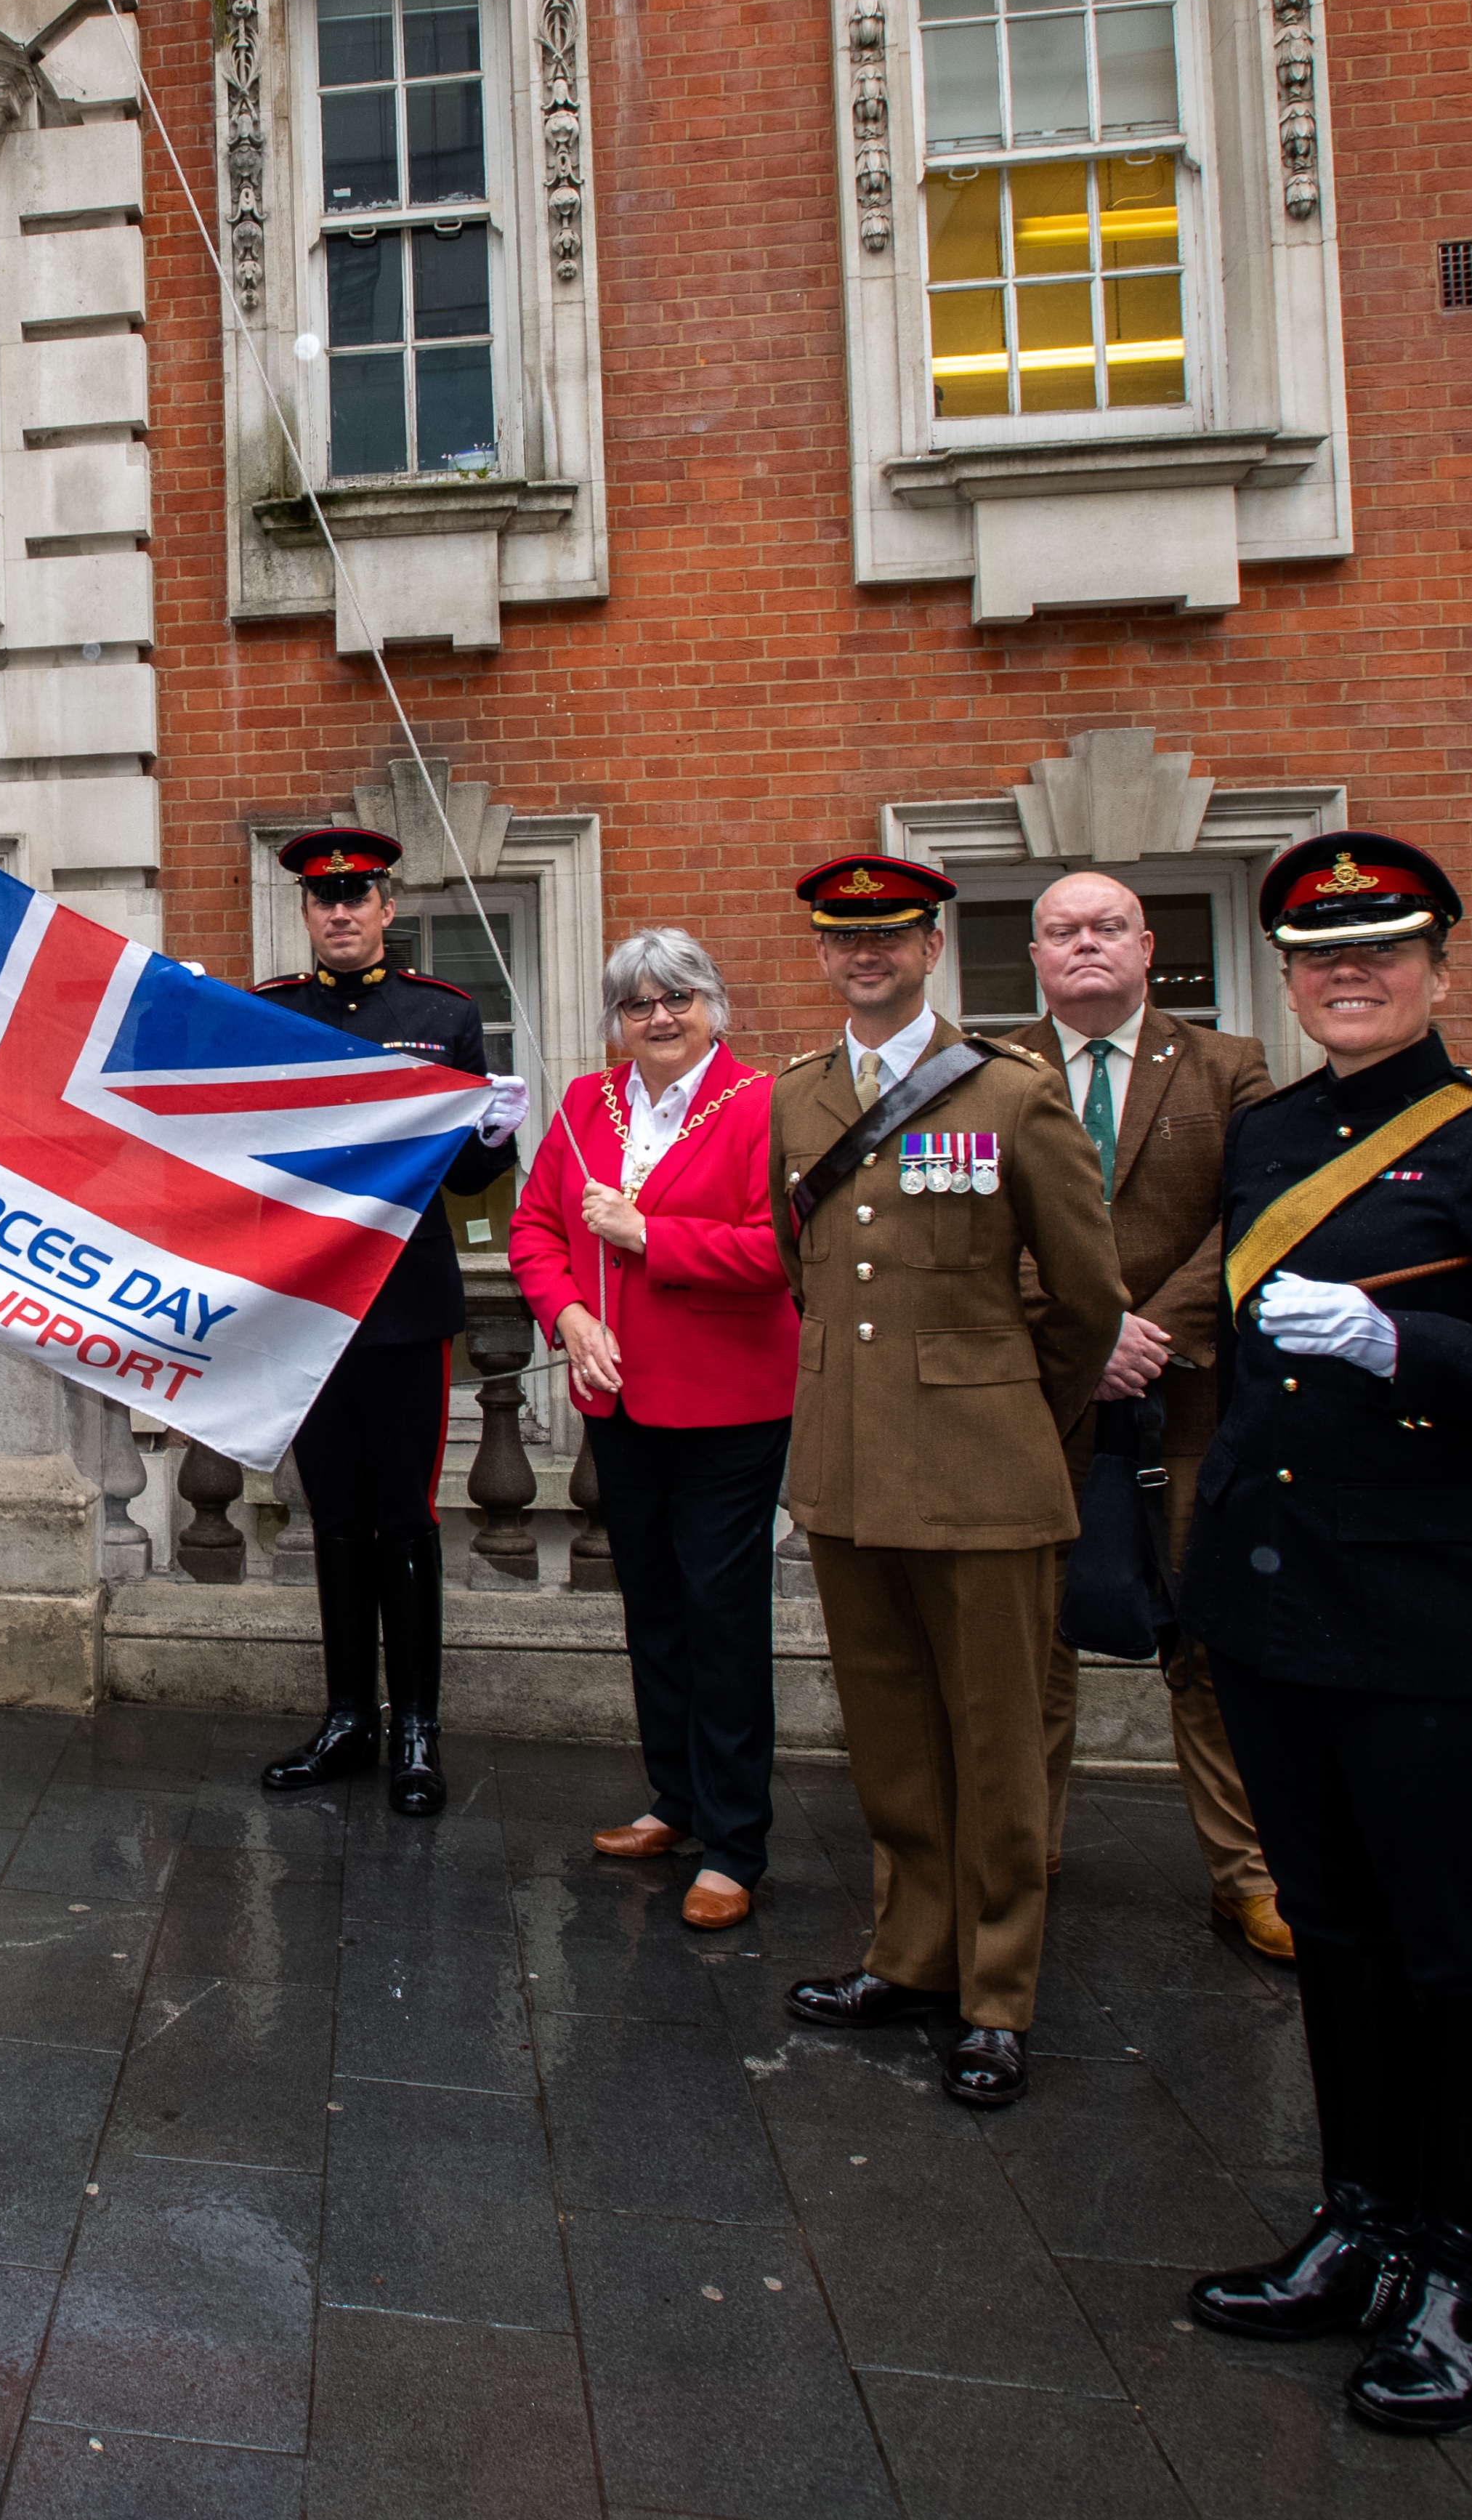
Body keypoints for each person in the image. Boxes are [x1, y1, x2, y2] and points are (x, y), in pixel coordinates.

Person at [1178, 833, 1472, 2439]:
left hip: (1443, 1622)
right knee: (1343, 1941)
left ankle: (1464, 2267)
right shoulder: (1272, 1135)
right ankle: (1361, 2220)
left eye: (1379, 956)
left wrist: (1404, 1340)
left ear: (1438, 970)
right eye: (1318, 962)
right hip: (1283, 1605)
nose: (1347, 981)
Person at [767, 851, 1123, 2112]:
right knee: (888, 1735)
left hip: (981, 1473)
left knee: (994, 1739)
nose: (864, 957)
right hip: (850, 1468)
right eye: (840, 940)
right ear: (819, 953)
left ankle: (994, 1992)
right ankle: (907, 1952)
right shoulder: (795, 1098)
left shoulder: (1011, 1095)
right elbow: (805, 1272)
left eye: (889, 937)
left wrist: (1010, 1412)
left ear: (930, 946)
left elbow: (1084, 1301)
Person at [995, 871, 1287, 1960]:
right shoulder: (986, 1069)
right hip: (1037, 1402)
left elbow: (1255, 1217)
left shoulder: (1228, 1067)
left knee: (1203, 1639)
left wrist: (1145, 1331)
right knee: (1033, 1638)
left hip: (1193, 1400)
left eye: (1105, 927)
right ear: (1031, 953)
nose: (1084, 945)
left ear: (1146, 943)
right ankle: (1024, 1847)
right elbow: (975, 1226)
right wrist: (1085, 1331)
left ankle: (1246, 1874)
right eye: (1060, 930)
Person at [506, 928, 790, 1926]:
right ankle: (674, 1798)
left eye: (676, 998)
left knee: (721, 1617)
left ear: (713, 1004)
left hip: (727, 1406)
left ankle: (735, 1841)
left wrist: (646, 1235)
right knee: (652, 1610)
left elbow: (777, 1249)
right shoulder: (588, 1104)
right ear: (614, 1019)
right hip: (617, 1397)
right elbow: (534, 1227)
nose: (658, 1018)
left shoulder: (762, 1106)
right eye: (636, 1004)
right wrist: (568, 1314)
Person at [248, 830, 526, 1817]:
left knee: (405, 1519)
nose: (339, 911)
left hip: (403, 1307)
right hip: (308, 1306)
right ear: (305, 912)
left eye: (356, 894)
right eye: (323, 899)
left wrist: (492, 1137)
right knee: (332, 1520)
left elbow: (464, 1177)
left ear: (385, 906)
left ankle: (414, 1724)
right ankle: (344, 1716)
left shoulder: (438, 1015)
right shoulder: (269, 1013)